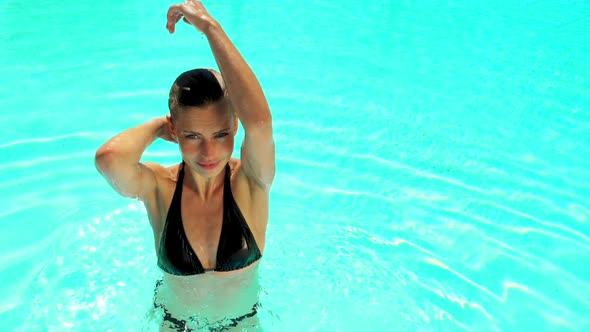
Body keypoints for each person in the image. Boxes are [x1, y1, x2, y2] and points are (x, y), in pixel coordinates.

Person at [94, 1, 275, 330]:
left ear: (236, 126)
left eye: (221, 134)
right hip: (173, 325)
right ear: (175, 132)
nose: (209, 151)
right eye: (193, 136)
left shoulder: (251, 183)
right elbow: (109, 161)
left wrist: (210, 27)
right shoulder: (159, 187)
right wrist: (158, 126)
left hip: (243, 325)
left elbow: (260, 123)